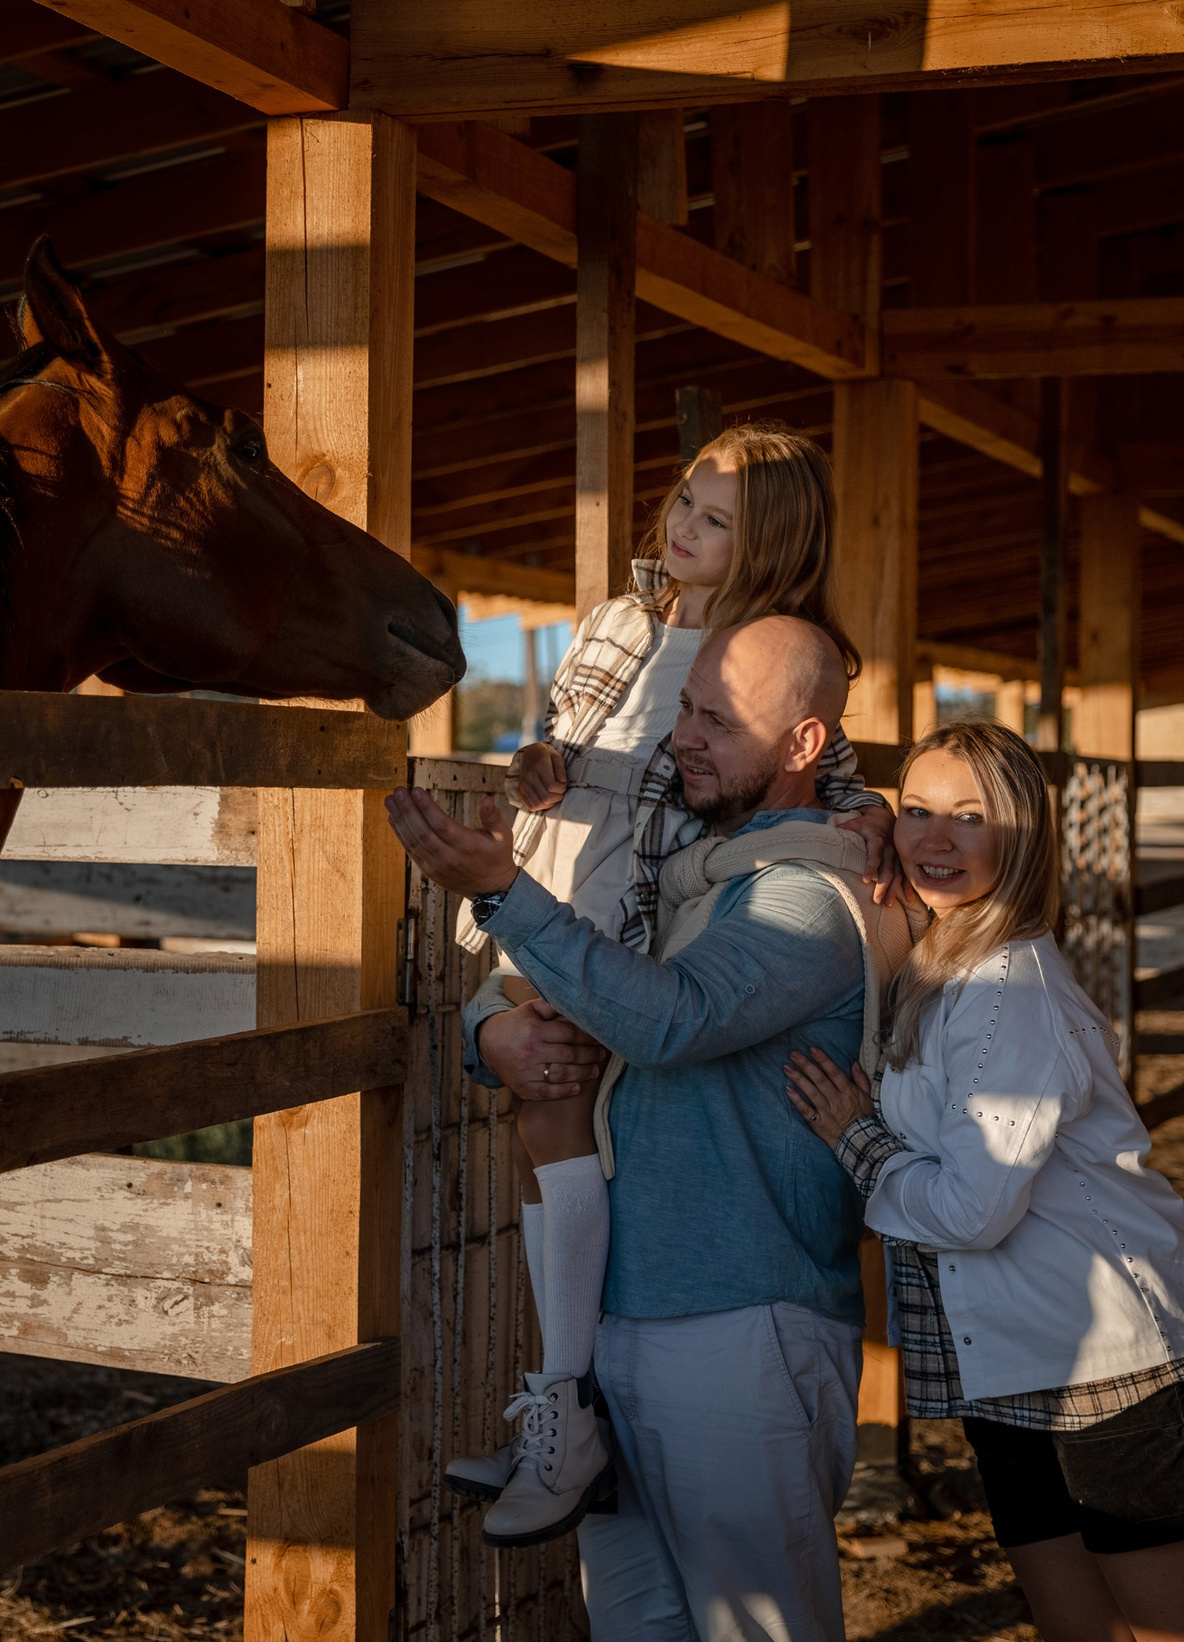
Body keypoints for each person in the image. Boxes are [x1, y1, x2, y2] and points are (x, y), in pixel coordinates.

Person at [387, 615, 912, 1641]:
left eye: (718, 717)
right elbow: (598, 996)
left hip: (738, 1326)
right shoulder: (695, 877)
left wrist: (502, 890)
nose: (683, 734)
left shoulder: (806, 896)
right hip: (632, 1321)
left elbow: (669, 1017)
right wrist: (489, 1025)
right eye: (683, 706)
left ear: (803, 745)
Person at [446, 422, 894, 1547]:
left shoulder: (763, 650)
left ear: (769, 543)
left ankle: (563, 1391)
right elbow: (553, 737)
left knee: (563, 1111)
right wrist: (532, 761)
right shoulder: (613, 623)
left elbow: (822, 770)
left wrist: (875, 815)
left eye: (713, 518)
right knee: (536, 1121)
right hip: (547, 881)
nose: (680, 528)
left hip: (630, 920)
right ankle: (567, 1398)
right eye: (682, 502)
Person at [783, 722, 1184, 1642]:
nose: (936, 839)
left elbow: (972, 1209)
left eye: (970, 818)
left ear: (1024, 838)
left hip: (1117, 1361)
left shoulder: (1012, 993)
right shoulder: (938, 967)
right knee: (1075, 1625)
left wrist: (857, 1140)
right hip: (1012, 1367)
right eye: (919, 811)